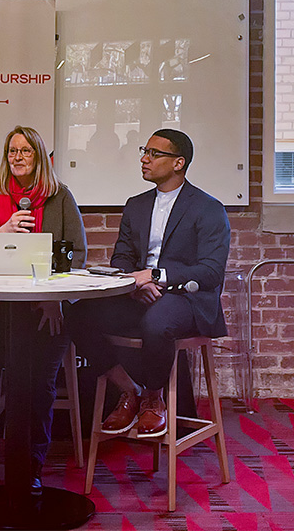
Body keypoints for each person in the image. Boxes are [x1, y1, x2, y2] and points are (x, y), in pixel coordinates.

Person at [70, 128, 230, 438]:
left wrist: (155, 276)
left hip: (187, 299)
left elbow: (211, 272)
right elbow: (122, 259)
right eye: (145, 151)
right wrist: (137, 285)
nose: (144, 158)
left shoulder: (208, 208)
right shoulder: (136, 205)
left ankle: (155, 398)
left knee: (157, 323)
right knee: (78, 314)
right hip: (141, 293)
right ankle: (131, 391)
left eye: (154, 154)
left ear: (178, 163)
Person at [0, 125, 87, 495]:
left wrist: (54, 297)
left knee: (35, 382)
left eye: (25, 151)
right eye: (11, 151)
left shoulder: (60, 197)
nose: (16, 157)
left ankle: (30, 463)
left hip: (44, 306)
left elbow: (77, 256)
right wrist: (4, 230)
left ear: (39, 157)